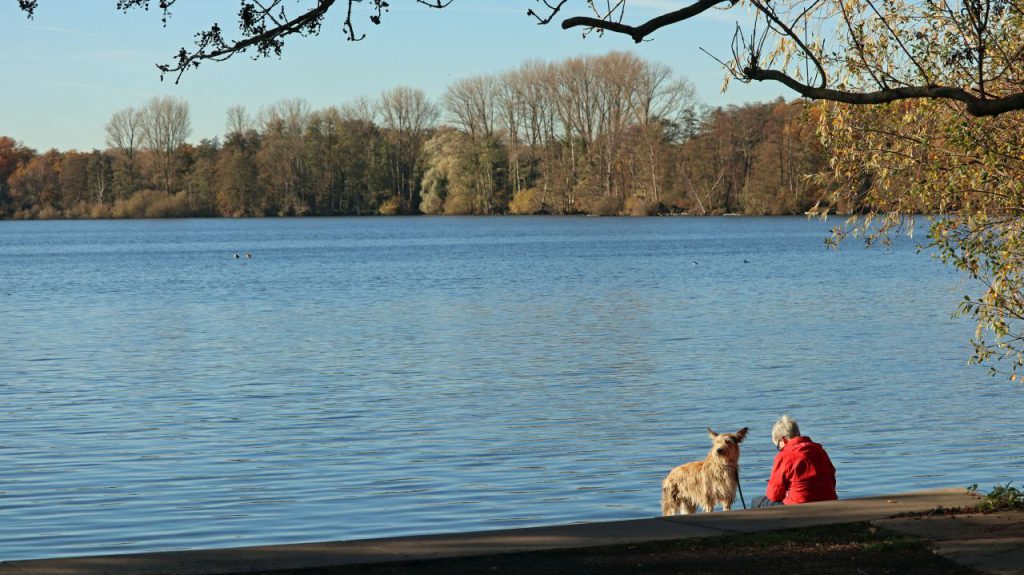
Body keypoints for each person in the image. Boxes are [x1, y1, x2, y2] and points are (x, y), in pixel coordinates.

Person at [754, 415, 837, 507]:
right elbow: (832, 480)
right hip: (829, 502)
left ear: (784, 440)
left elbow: (774, 495)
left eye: (778, 446)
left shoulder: (784, 455)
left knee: (756, 501)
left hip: (799, 507)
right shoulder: (820, 450)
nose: (780, 449)